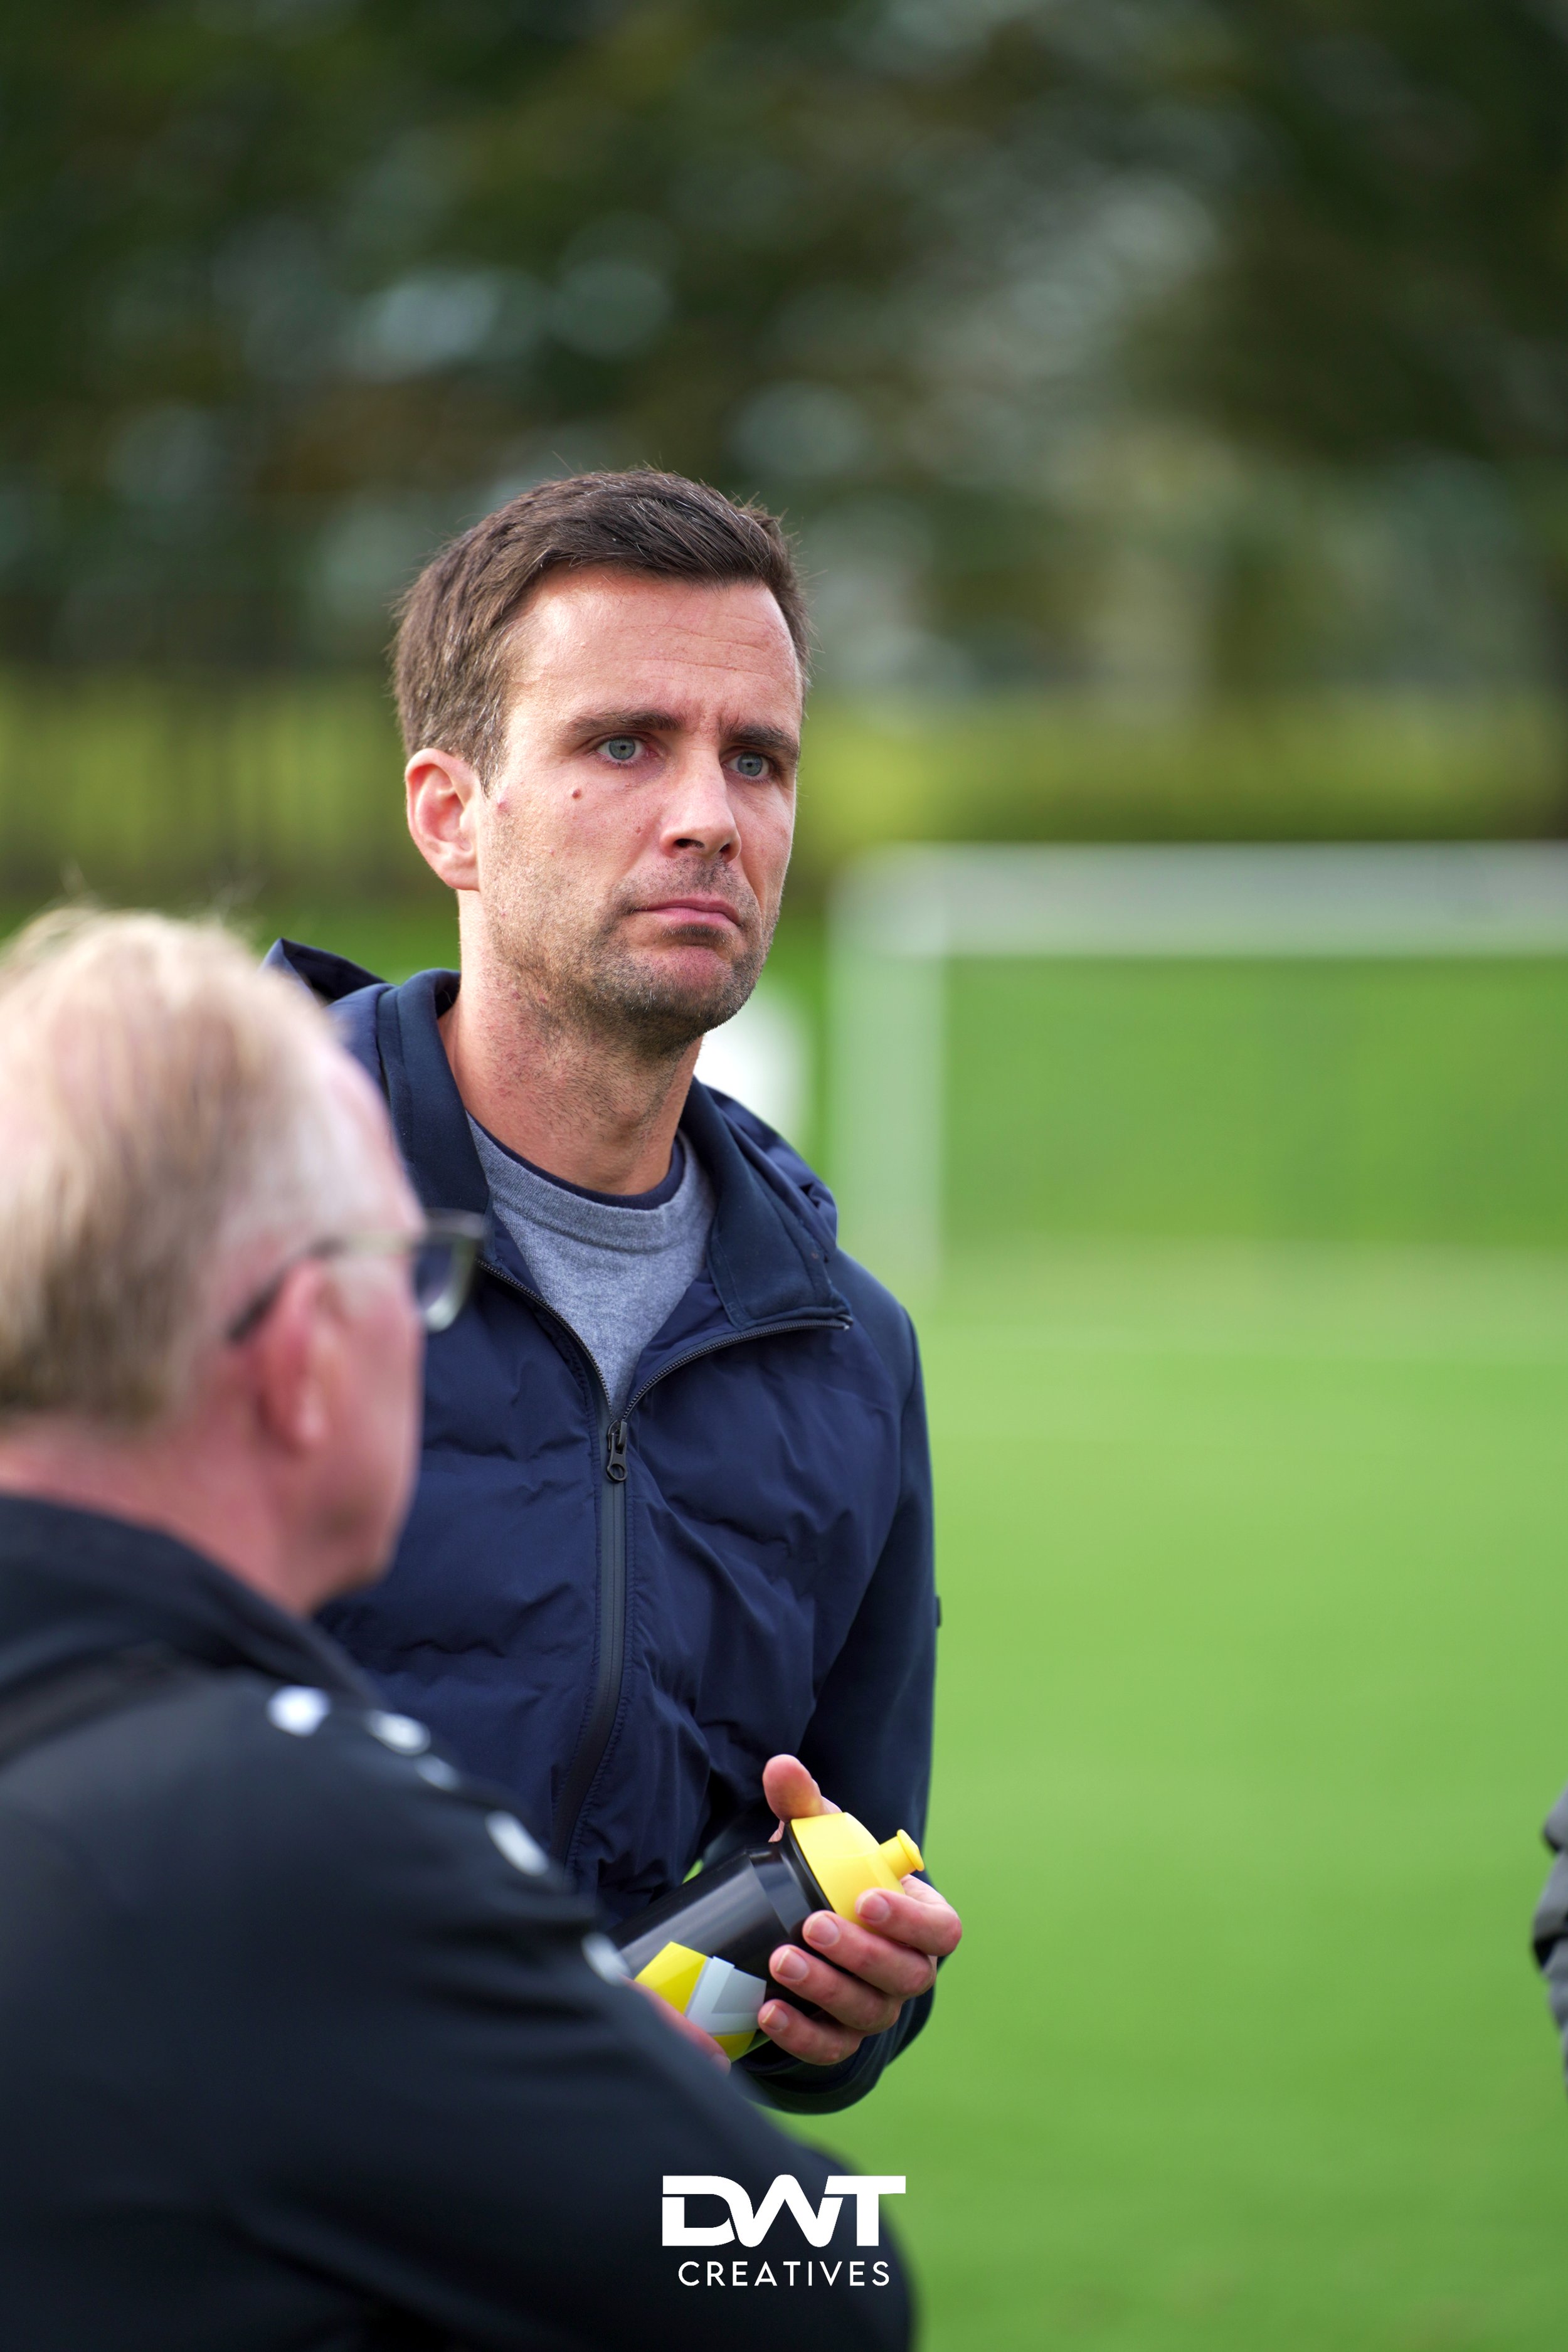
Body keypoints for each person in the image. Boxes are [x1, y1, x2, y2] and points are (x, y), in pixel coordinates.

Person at [0, 909, 909, 2352]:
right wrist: (633, 2078)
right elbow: (827, 2289)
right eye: (418, 1274)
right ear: (305, 1356)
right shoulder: (295, 1833)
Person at [268, 469, 961, 2114]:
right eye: (622, 743)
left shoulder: (849, 1351)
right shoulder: (200, 1233)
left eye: (758, 756)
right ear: (450, 811)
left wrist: (840, 1997)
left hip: (597, 2243)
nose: (710, 813)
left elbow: (836, 1852)